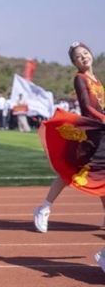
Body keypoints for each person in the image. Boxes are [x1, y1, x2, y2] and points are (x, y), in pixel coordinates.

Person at [34, 42, 105, 233]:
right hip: (91, 132)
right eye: (78, 57)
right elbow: (87, 107)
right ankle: (44, 208)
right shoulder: (80, 79)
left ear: (91, 54)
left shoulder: (96, 80)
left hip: (101, 132)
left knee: (102, 172)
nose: (83, 57)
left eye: (85, 53)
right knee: (71, 171)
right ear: (75, 63)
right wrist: (103, 119)